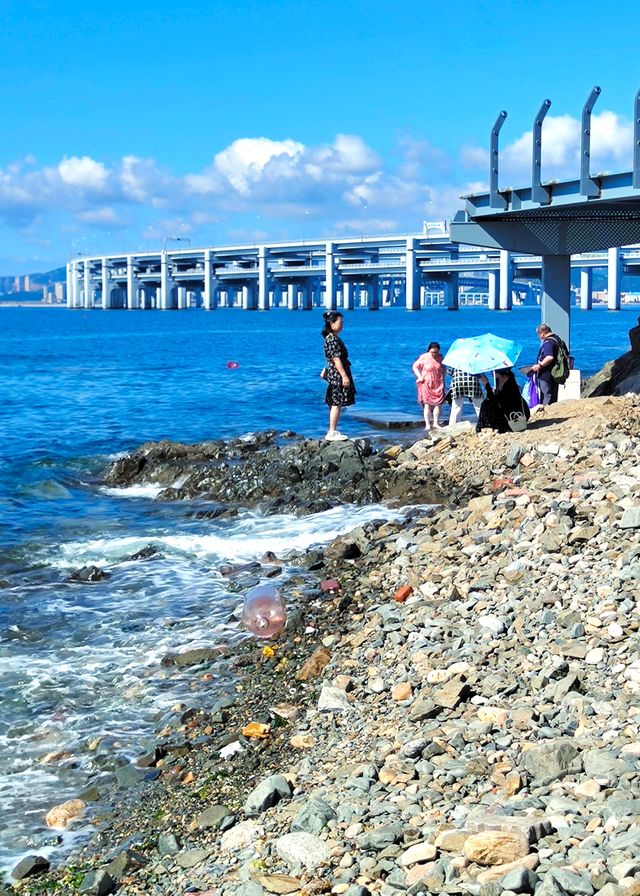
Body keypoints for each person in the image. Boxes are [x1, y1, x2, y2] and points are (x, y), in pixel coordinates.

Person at [321, 310, 356, 441]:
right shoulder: (333, 339)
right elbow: (336, 359)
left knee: (333, 401)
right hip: (337, 375)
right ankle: (332, 431)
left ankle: (332, 429)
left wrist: (325, 370)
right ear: (331, 323)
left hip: (333, 374)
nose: (342, 325)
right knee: (337, 403)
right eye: (340, 322)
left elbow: (330, 358)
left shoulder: (329, 338)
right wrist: (344, 376)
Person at [476, 368, 530, 433]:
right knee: (486, 403)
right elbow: (494, 399)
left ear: (499, 372)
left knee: (486, 404)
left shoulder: (510, 385)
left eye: (493, 371)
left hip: (514, 415)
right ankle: (484, 427)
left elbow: (498, 402)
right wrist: (488, 385)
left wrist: (487, 384)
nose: (491, 373)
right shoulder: (499, 380)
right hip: (507, 412)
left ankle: (486, 427)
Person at [412, 341, 446, 431]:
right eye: (433, 352)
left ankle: (436, 423)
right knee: (427, 405)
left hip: (438, 383)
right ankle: (427, 424)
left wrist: (443, 378)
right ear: (429, 351)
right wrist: (419, 377)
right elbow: (415, 366)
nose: (435, 354)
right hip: (426, 382)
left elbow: (444, 368)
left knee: (438, 404)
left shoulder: (440, 357)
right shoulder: (424, 357)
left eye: (436, 352)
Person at [531, 323, 564, 406]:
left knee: (546, 394)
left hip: (546, 373)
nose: (539, 337)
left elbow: (549, 357)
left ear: (542, 333)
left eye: (538, 334)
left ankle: (546, 411)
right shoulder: (558, 339)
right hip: (555, 372)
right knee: (553, 394)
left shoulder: (548, 343)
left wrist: (539, 365)